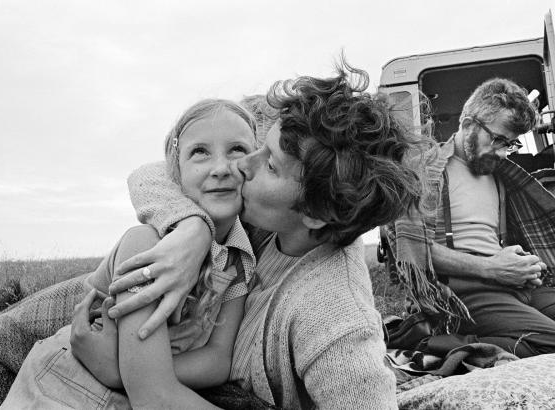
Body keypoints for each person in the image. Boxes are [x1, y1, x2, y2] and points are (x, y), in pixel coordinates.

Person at [73, 61, 432, 409]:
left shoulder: (336, 323)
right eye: (259, 148)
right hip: (119, 323)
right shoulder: (270, 219)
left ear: (315, 214)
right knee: (18, 329)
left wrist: (129, 372)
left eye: (270, 165)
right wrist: (192, 226)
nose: (240, 166)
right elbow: (154, 174)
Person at [0, 99, 259, 409]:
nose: (220, 168)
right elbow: (152, 396)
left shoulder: (238, 261)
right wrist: (142, 375)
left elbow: (218, 358)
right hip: (68, 383)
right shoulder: (145, 244)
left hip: (134, 388)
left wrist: (130, 370)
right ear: (175, 173)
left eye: (237, 150)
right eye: (200, 152)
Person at [390, 78, 555, 358]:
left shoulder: (501, 175)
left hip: (513, 286)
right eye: (498, 140)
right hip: (463, 295)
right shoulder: (425, 171)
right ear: (468, 125)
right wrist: (491, 268)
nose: (504, 152)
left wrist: (521, 265)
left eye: (511, 143)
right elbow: (415, 250)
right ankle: (439, 343)